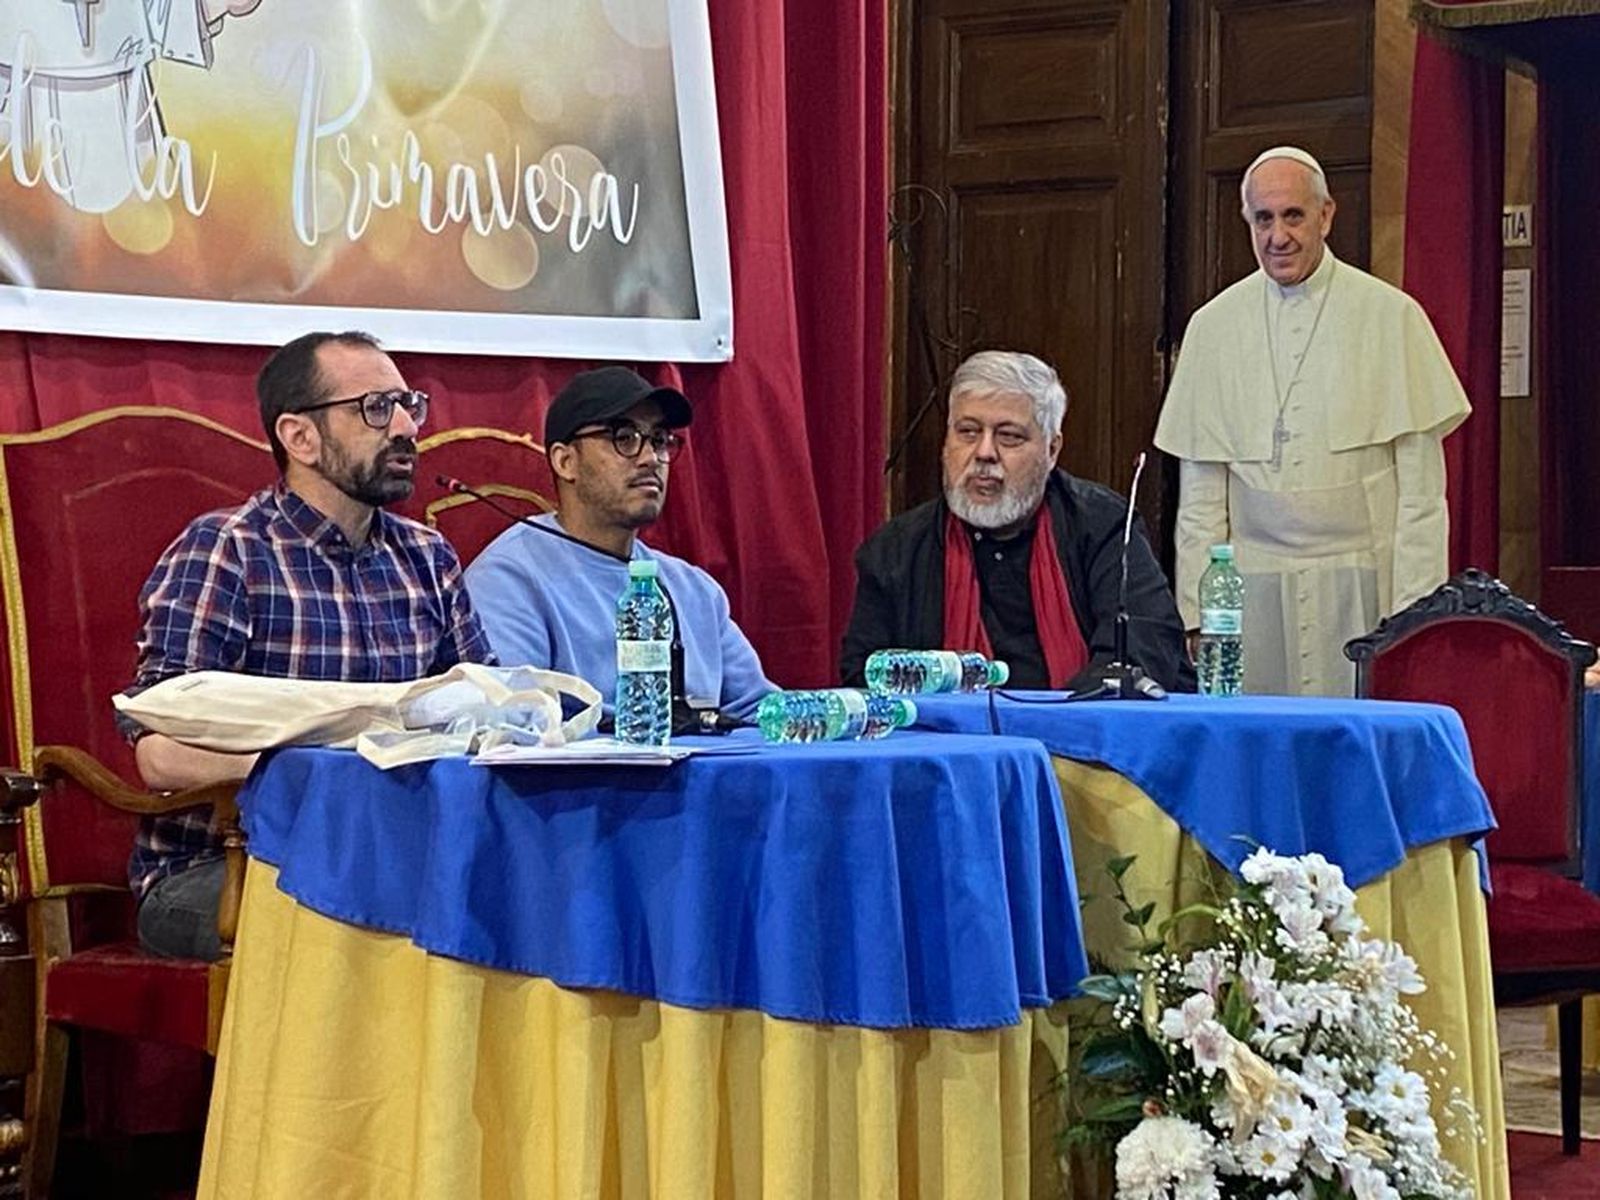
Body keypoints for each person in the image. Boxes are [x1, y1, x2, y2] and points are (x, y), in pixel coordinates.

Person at [121, 330, 493, 960]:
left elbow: (484, 705)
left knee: (509, 901)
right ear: (299, 437)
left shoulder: (427, 558)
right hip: (222, 869)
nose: (406, 426)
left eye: (409, 405)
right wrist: (330, 776)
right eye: (377, 407)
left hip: (394, 851)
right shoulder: (229, 549)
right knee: (378, 921)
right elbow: (160, 752)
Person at [1154, 146, 1470, 697]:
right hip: (1252, 594)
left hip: (1364, 591)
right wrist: (1202, 614)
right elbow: (1201, 502)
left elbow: (1422, 501)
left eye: (1293, 216)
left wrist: (1414, 619)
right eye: (1263, 219)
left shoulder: (1391, 317)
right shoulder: (1212, 328)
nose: (1278, 236)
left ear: (1326, 215)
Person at [840, 350, 1194, 692]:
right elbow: (866, 678)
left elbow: (1139, 656)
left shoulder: (1105, 527)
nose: (984, 453)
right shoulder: (895, 551)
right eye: (967, 432)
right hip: (949, 747)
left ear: (1051, 450)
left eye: (1008, 436)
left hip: (1077, 745)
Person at [465, 365, 774, 721]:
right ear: (566, 461)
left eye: (659, 440)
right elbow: (517, 723)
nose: (650, 459)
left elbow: (758, 712)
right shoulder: (509, 579)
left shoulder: (694, 590)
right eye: (624, 438)